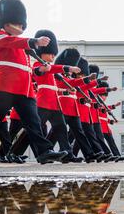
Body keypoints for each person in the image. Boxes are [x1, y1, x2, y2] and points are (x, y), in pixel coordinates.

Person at [0, 0, 68, 165]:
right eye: (18, 24)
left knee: (33, 122)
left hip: (24, 89)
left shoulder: (23, 48)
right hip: (6, 86)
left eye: (22, 25)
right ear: (6, 22)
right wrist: (33, 41)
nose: (20, 27)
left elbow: (27, 67)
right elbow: (11, 41)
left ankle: (44, 152)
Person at [9, 30, 84, 163]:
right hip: (43, 102)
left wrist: (68, 69)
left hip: (54, 103)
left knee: (61, 128)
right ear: (42, 53)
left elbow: (54, 68)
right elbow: (35, 72)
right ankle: (14, 152)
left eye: (54, 54)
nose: (53, 56)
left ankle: (67, 154)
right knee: (33, 129)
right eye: (51, 53)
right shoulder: (38, 64)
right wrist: (44, 69)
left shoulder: (50, 66)